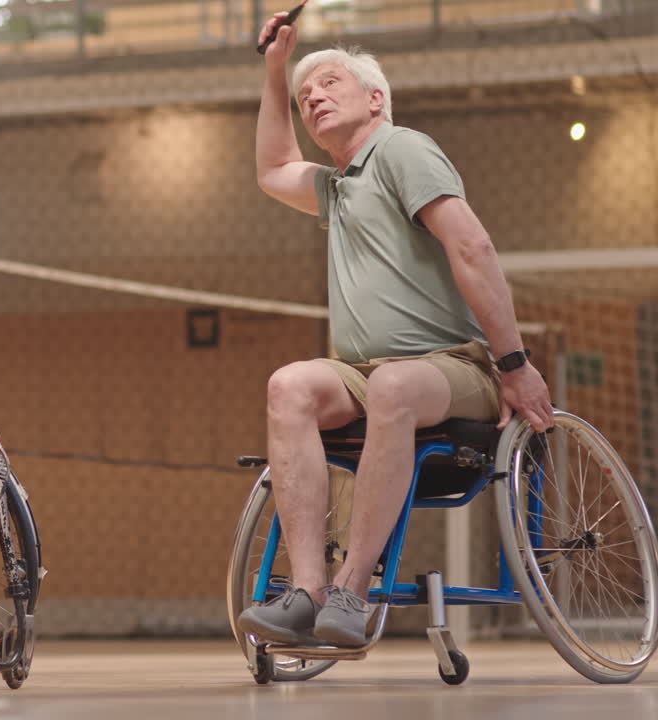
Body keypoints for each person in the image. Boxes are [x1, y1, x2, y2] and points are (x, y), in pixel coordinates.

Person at [236, 15, 554, 648]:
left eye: (328, 84)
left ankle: (353, 588)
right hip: (368, 373)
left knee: (394, 388)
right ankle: (308, 592)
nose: (314, 99)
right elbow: (274, 167)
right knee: (289, 386)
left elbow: (474, 248)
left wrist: (514, 363)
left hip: (456, 367)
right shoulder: (339, 186)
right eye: (305, 99)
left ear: (374, 99)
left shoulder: (402, 149)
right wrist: (277, 71)